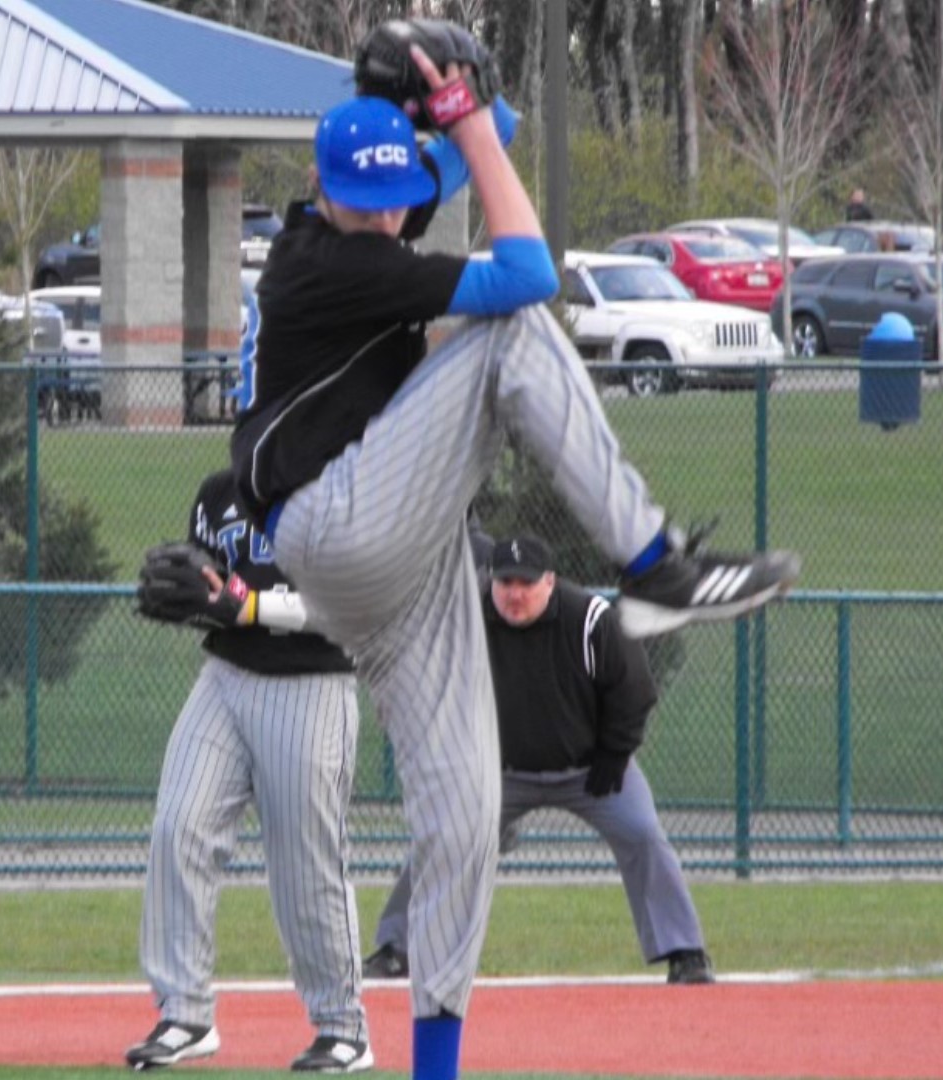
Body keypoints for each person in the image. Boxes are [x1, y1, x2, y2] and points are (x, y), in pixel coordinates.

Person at [226, 28, 797, 1080]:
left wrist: (427, 105)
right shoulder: (337, 265)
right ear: (320, 186)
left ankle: (435, 1071)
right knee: (516, 328)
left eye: (394, 191)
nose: (386, 211)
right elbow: (527, 263)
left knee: (462, 817)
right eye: (368, 193)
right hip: (341, 518)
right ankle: (649, 560)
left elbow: (475, 148)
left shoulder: (357, 221)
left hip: (391, 554)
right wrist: (466, 124)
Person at [360, 533, 714, 987]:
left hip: (592, 768)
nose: (515, 593)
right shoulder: (465, 620)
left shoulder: (589, 620)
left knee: (643, 834)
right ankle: (397, 947)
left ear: (550, 581)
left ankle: (685, 951)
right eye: (505, 581)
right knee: (444, 836)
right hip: (499, 772)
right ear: (490, 581)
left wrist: (614, 752)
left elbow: (635, 691)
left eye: (526, 583)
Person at [125, 469, 373, 1074]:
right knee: (178, 828)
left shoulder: (342, 489)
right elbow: (213, 591)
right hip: (225, 678)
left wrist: (247, 605)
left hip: (312, 685)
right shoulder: (218, 492)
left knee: (305, 862)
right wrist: (187, 601)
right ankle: (184, 1012)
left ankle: (343, 1028)